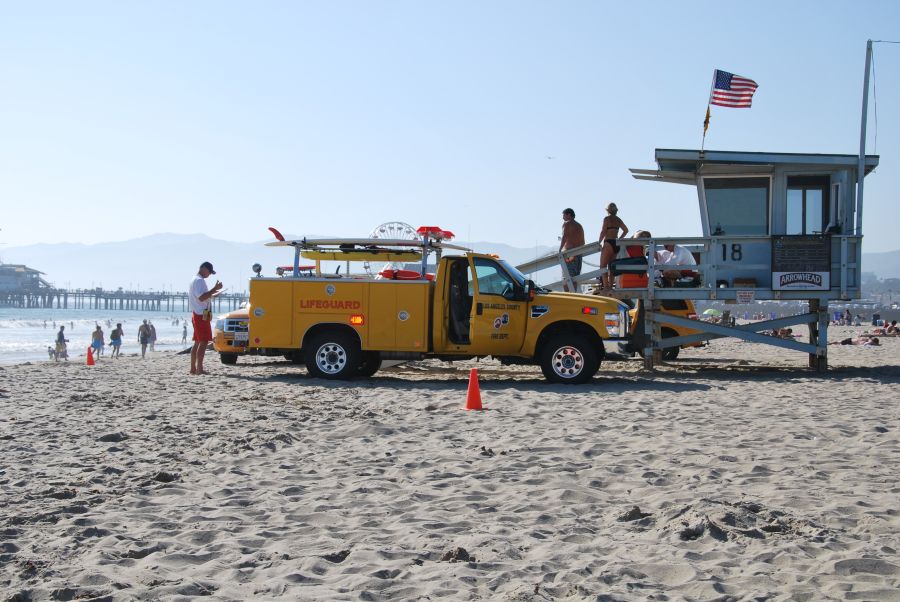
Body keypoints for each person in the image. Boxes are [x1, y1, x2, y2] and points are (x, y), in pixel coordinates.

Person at [189, 261, 224, 375]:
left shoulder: (195, 279)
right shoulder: (199, 281)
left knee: (197, 341)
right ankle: (199, 369)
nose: (209, 275)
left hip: (198, 313)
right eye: (209, 272)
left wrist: (213, 294)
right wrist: (214, 289)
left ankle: (193, 368)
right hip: (201, 314)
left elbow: (203, 296)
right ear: (203, 268)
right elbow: (202, 297)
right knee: (203, 341)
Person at [599, 202, 628, 290]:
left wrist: (599, 242)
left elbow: (603, 231)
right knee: (611, 266)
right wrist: (619, 239)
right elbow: (626, 230)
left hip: (608, 243)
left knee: (603, 266)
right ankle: (611, 286)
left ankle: (606, 286)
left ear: (608, 211)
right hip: (616, 243)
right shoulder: (618, 219)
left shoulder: (607, 219)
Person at [559, 208, 585, 292]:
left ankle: (567, 296)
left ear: (569, 214)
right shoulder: (579, 226)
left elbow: (564, 236)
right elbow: (583, 241)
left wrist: (560, 250)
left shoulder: (567, 224)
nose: (563, 218)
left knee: (566, 277)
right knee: (575, 278)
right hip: (579, 253)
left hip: (569, 254)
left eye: (564, 215)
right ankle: (574, 295)